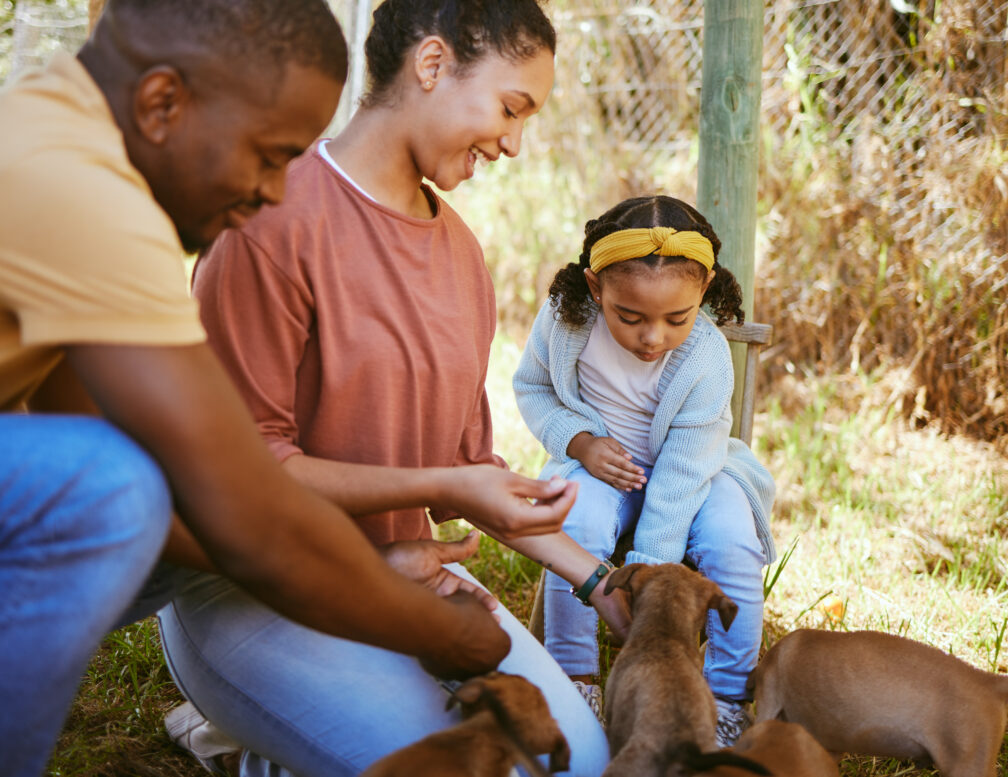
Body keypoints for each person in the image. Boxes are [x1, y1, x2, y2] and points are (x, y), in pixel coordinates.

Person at [0, 1, 570, 773]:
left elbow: (92, 446)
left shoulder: (59, 142)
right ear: (163, 103)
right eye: (268, 155)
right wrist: (434, 629)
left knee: (120, 473)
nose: (276, 193)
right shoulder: (82, 194)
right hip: (226, 589)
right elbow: (240, 507)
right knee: (121, 484)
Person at [155, 1, 610, 775]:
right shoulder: (268, 220)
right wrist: (447, 481)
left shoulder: (464, 259)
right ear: (431, 66)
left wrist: (602, 583)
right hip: (249, 586)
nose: (514, 142)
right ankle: (247, 732)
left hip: (405, 569)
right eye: (511, 107)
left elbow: (473, 477)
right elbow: (243, 479)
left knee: (577, 761)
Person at [511, 195, 778, 747]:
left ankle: (727, 697)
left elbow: (683, 475)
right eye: (629, 317)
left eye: (675, 318)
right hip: (604, 467)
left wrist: (649, 569)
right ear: (595, 288)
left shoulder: (703, 356)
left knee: (733, 542)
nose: (652, 337)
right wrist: (581, 443)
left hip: (699, 471)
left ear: (702, 290)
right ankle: (574, 679)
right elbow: (532, 388)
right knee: (573, 521)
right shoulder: (565, 324)